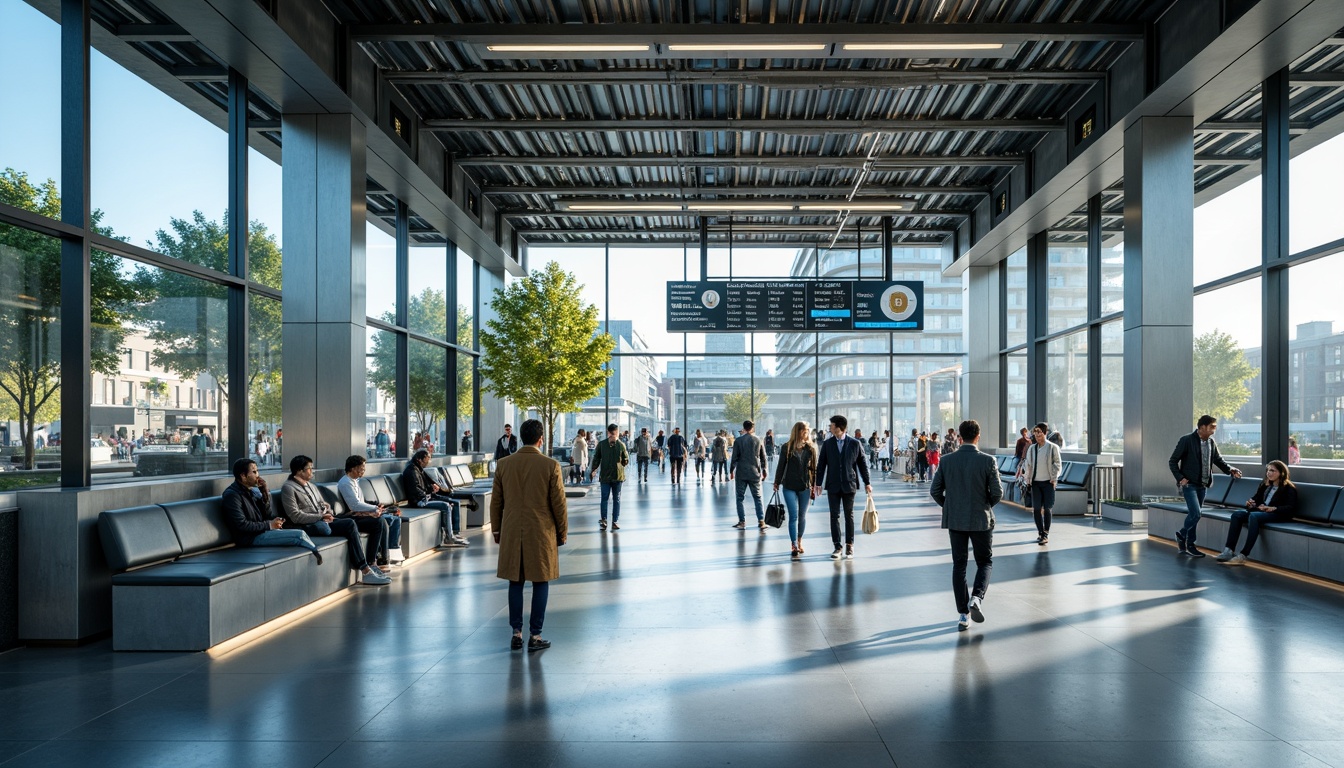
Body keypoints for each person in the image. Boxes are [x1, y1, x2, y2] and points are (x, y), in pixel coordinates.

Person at [491, 418, 567, 653]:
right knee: (540, 581)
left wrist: (496, 529)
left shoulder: (504, 465)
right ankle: (535, 635)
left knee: (516, 581)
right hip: (541, 532)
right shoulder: (550, 465)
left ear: (520, 437)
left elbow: (496, 502)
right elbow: (559, 504)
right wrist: (562, 532)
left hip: (513, 530)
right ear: (540, 438)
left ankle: (516, 633)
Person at [931, 420, 1001, 632]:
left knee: (959, 565)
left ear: (959, 437)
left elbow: (935, 491)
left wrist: (951, 506)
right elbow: (998, 493)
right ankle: (977, 598)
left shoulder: (947, 460)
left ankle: (963, 614)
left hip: (956, 520)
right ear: (978, 436)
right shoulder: (988, 461)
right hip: (981, 519)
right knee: (985, 562)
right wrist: (984, 505)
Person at [281, 455, 390, 585]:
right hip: (311, 525)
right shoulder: (288, 488)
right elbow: (295, 516)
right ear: (299, 471)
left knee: (377, 522)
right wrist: (321, 516)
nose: (312, 471)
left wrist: (327, 510)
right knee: (350, 523)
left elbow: (323, 504)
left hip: (323, 520)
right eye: (310, 468)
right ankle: (365, 570)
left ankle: (371, 564)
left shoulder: (311, 486)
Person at [221, 457, 323, 562]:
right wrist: (269, 525)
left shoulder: (253, 491)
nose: (258, 475)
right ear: (243, 476)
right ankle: (316, 554)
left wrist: (265, 493)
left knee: (300, 532)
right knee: (299, 535)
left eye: (257, 471)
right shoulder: (232, 495)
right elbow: (242, 524)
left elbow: (268, 515)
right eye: (254, 472)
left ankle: (315, 553)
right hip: (250, 538)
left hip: (261, 532)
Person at [1169, 415, 1243, 558]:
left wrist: (1230, 469)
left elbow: (1218, 460)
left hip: (1203, 485)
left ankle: (1188, 543)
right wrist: (1180, 478)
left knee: (1194, 515)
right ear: (1202, 427)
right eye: (1212, 427)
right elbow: (1172, 462)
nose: (1214, 430)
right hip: (1189, 484)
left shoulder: (1211, 442)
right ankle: (1183, 536)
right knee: (1196, 513)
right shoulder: (1186, 440)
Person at [812, 414, 873, 560]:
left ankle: (849, 545)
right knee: (834, 516)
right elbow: (821, 465)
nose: (829, 428)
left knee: (849, 515)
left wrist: (867, 482)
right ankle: (837, 546)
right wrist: (818, 482)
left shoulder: (854, 443)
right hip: (833, 484)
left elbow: (862, 464)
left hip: (849, 483)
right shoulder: (828, 444)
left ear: (839, 428)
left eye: (831, 425)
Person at [1217, 459, 1298, 566]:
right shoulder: (1265, 485)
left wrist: (1273, 508)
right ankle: (1229, 550)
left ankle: (1244, 554)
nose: (1269, 473)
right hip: (1261, 513)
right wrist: (1251, 503)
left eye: (1272, 471)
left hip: (1278, 514)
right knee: (1237, 515)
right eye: (1268, 470)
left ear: (1281, 473)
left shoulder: (1289, 489)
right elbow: (1256, 499)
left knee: (1253, 516)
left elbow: (1290, 508)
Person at [338, 454, 404, 565]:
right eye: (361, 468)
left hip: (361, 513)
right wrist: (374, 508)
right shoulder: (345, 483)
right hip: (353, 517)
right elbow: (354, 505)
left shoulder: (354, 481)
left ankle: (390, 554)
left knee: (395, 518)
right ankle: (380, 558)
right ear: (353, 468)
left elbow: (361, 502)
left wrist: (377, 506)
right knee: (382, 521)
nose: (363, 470)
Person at [402, 450, 469, 547]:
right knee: (446, 506)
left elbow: (424, 486)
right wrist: (429, 492)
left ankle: (454, 533)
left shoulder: (419, 469)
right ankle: (449, 537)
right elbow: (416, 491)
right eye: (426, 460)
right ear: (419, 459)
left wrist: (432, 488)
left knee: (454, 502)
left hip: (427, 497)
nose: (428, 462)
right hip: (420, 501)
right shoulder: (411, 471)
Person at [773, 421, 817, 560]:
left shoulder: (811, 448)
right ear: (798, 431)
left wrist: (814, 486)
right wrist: (777, 482)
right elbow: (781, 466)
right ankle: (793, 545)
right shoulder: (787, 447)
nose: (808, 433)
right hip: (789, 486)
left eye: (808, 430)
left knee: (802, 516)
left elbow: (814, 469)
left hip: (805, 486)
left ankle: (799, 540)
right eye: (805, 430)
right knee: (793, 516)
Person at [1019, 422, 1062, 546]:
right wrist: (1027, 478)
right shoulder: (1032, 448)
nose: (1037, 436)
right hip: (1036, 483)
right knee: (1036, 509)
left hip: (1048, 483)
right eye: (1035, 433)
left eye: (1040, 433)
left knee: (1047, 508)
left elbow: (1057, 464)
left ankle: (1046, 533)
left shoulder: (1053, 447)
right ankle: (1040, 533)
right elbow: (1028, 464)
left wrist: (1054, 478)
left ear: (1045, 433)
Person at [730, 420, 769, 531]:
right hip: (755, 472)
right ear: (752, 428)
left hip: (741, 472)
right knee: (758, 497)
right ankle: (761, 521)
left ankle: (742, 521)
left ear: (744, 427)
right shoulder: (758, 440)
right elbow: (763, 457)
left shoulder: (738, 441)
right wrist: (764, 470)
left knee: (740, 498)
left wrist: (731, 471)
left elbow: (734, 458)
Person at [590, 423, 629, 530]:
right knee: (604, 498)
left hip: (618, 477)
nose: (612, 435)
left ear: (617, 433)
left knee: (616, 499)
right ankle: (604, 520)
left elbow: (626, 460)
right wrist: (593, 469)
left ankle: (615, 521)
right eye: (611, 433)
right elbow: (596, 458)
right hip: (605, 477)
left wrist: (623, 460)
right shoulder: (602, 445)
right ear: (608, 433)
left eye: (614, 433)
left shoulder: (621, 445)